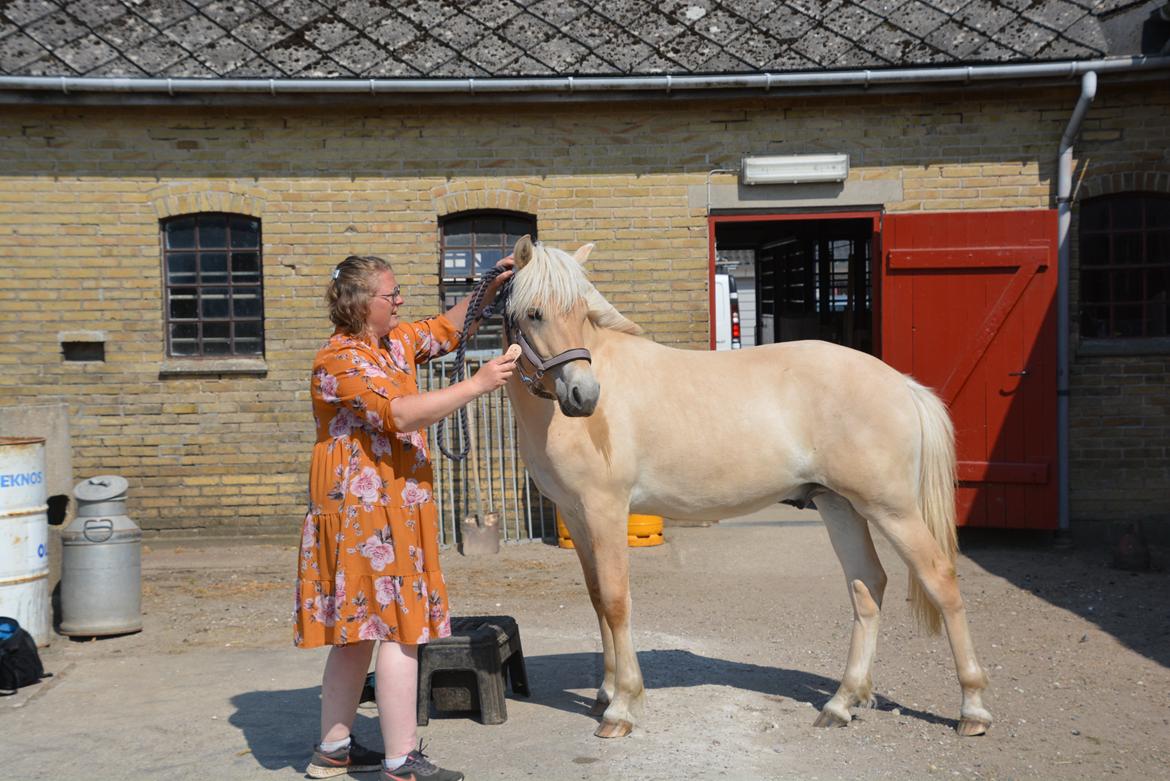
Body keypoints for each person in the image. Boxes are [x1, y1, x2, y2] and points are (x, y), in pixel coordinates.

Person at [295, 254, 515, 781]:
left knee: (359, 632)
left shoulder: (391, 343)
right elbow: (396, 414)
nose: (399, 302)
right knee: (398, 629)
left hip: (390, 505)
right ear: (359, 304)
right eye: (390, 295)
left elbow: (444, 327)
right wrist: (478, 384)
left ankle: (333, 750)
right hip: (364, 513)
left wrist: (491, 283)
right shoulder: (339, 360)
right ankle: (401, 760)